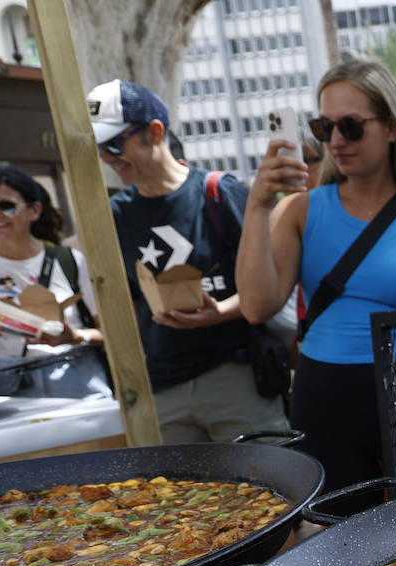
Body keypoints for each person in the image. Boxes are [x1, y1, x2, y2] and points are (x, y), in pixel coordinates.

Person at [236, 60, 396, 497]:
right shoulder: (299, 210)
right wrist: (257, 204)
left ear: (390, 127)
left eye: (350, 126)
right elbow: (257, 305)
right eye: (322, 126)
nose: (334, 140)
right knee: (340, 542)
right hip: (324, 392)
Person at [89, 78, 287, 442]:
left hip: (236, 376)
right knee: (174, 499)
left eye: (115, 144)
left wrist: (221, 312)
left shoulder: (218, 191)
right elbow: (125, 308)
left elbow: (273, 287)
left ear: (155, 131)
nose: (107, 158)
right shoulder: (113, 215)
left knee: (271, 490)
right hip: (162, 388)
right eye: (98, 148)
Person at [0, 165, 102, 363]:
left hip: (75, 375)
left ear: (34, 210)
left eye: (6, 206)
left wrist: (75, 337)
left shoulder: (70, 259)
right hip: (9, 383)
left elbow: (110, 333)